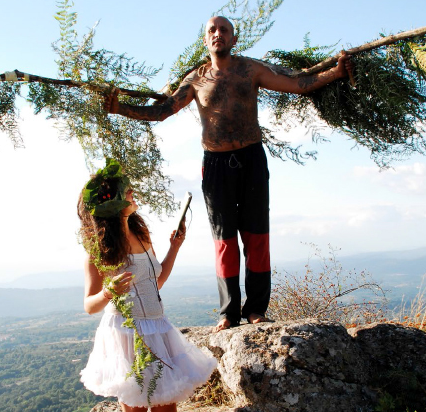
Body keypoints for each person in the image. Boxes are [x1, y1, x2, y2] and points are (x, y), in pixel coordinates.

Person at [106, 16, 353, 332]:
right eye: (212, 30)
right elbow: (162, 111)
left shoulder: (250, 69)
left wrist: (336, 72)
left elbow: (297, 84)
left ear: (234, 39)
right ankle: (228, 312)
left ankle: (256, 309)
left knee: (256, 236)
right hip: (216, 165)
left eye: (224, 29)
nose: (218, 33)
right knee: (224, 240)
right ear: (205, 41)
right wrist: (120, 108)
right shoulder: (196, 79)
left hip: (251, 159)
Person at [77, 160, 217, 412]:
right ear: (112, 203)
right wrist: (108, 291)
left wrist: (174, 248)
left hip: (158, 327)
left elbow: (156, 282)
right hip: (127, 334)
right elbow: (89, 305)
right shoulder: (99, 249)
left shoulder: (142, 234)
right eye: (127, 192)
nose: (133, 194)